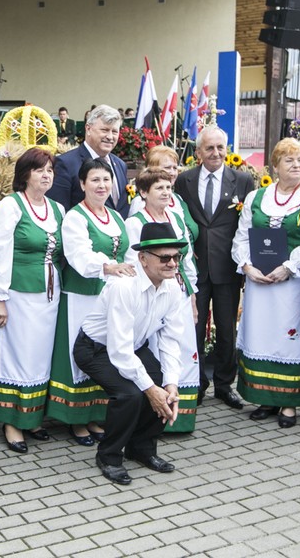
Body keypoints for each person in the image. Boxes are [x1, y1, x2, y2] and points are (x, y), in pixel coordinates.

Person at [73, 222, 186, 485]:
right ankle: (109, 456)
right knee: (130, 394)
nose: (172, 263)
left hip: (132, 347)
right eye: (165, 257)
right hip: (94, 349)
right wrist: (149, 389)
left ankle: (142, 449)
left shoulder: (173, 287)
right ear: (143, 259)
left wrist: (170, 384)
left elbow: (170, 340)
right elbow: (119, 349)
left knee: (163, 388)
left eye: (176, 257)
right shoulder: (123, 286)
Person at [231, 138, 300, 428]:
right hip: (259, 282)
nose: (297, 166)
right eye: (289, 161)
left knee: (289, 339)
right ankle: (265, 397)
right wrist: (246, 265)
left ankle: (289, 402)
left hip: (294, 284)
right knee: (262, 335)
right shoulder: (257, 197)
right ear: (275, 165)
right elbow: (241, 236)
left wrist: (288, 266)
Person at [0, 148, 65, 454]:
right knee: (18, 355)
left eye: (50, 170)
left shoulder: (57, 209)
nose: (46, 175)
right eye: (40, 170)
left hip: (48, 297)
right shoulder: (10, 207)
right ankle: (11, 421)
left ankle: (32, 417)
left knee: (39, 357)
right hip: (17, 295)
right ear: (25, 174)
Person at [48, 158, 134, 445]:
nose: (102, 186)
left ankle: (96, 414)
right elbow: (78, 255)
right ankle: (75, 419)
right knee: (80, 351)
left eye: (106, 180)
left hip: (109, 297)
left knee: (103, 353)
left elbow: (129, 253)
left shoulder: (116, 217)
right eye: (95, 180)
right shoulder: (75, 217)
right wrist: (108, 267)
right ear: (82, 184)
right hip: (81, 297)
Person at [173, 127, 255, 408]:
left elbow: (247, 226)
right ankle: (196, 383)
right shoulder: (184, 180)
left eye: (221, 147)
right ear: (198, 152)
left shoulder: (243, 180)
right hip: (195, 267)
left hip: (227, 267)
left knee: (226, 329)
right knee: (193, 328)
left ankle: (224, 384)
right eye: (209, 148)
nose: (216, 153)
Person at [126, 168, 200, 431]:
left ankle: (179, 415)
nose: (167, 193)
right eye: (159, 188)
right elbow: (132, 263)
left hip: (176, 291)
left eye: (169, 188)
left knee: (177, 347)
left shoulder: (176, 218)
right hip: (150, 295)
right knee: (156, 351)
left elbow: (186, 260)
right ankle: (153, 415)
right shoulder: (135, 223)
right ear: (144, 193)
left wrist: (191, 295)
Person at [46, 104, 130, 218]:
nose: (110, 137)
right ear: (88, 129)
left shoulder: (120, 165)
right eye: (104, 130)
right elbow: (58, 212)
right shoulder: (65, 163)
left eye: (114, 131)